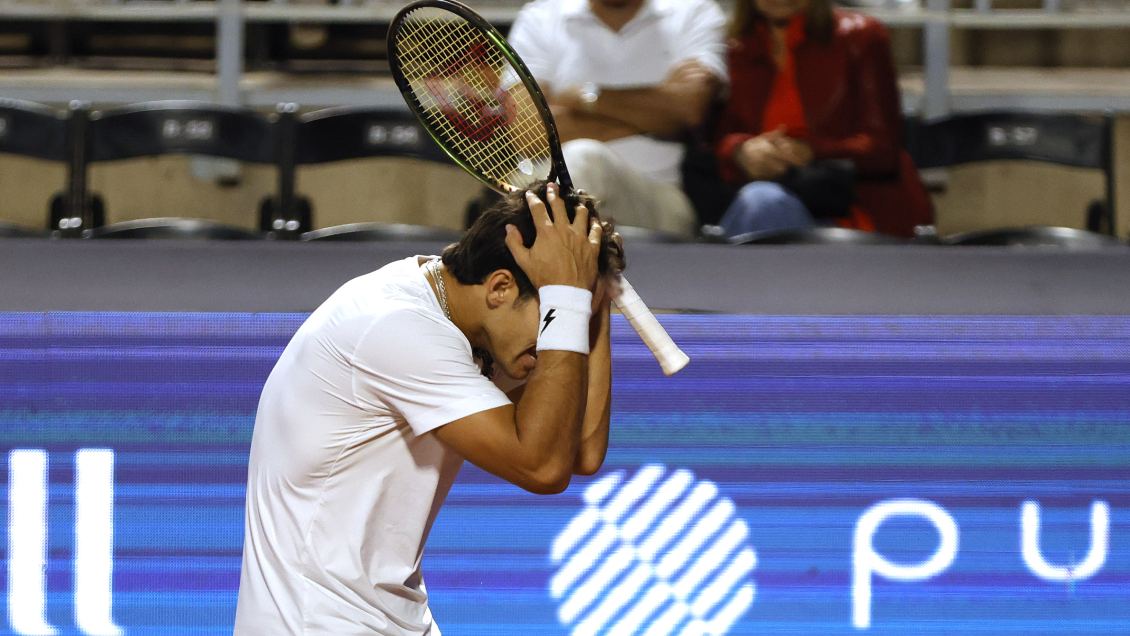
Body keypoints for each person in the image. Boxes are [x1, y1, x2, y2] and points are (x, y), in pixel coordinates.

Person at [234, 182, 624, 634]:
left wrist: (590, 302)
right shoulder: (395, 328)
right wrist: (570, 303)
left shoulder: (465, 320)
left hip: (384, 619)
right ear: (499, 288)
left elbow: (579, 449)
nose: (551, 350)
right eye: (551, 315)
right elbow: (542, 467)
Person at [507, 0, 727, 238]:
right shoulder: (539, 17)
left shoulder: (694, 11)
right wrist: (656, 114)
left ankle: (550, 271)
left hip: (660, 201)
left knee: (584, 157)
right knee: (550, 179)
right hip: (544, 185)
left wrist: (584, 98)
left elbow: (689, 109)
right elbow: (527, 133)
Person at [713, 0, 933, 238]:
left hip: (848, 211)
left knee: (764, 202)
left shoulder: (862, 36)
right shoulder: (732, 48)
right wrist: (740, 151)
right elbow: (711, 143)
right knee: (760, 201)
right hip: (757, 204)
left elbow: (883, 149)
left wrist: (809, 151)